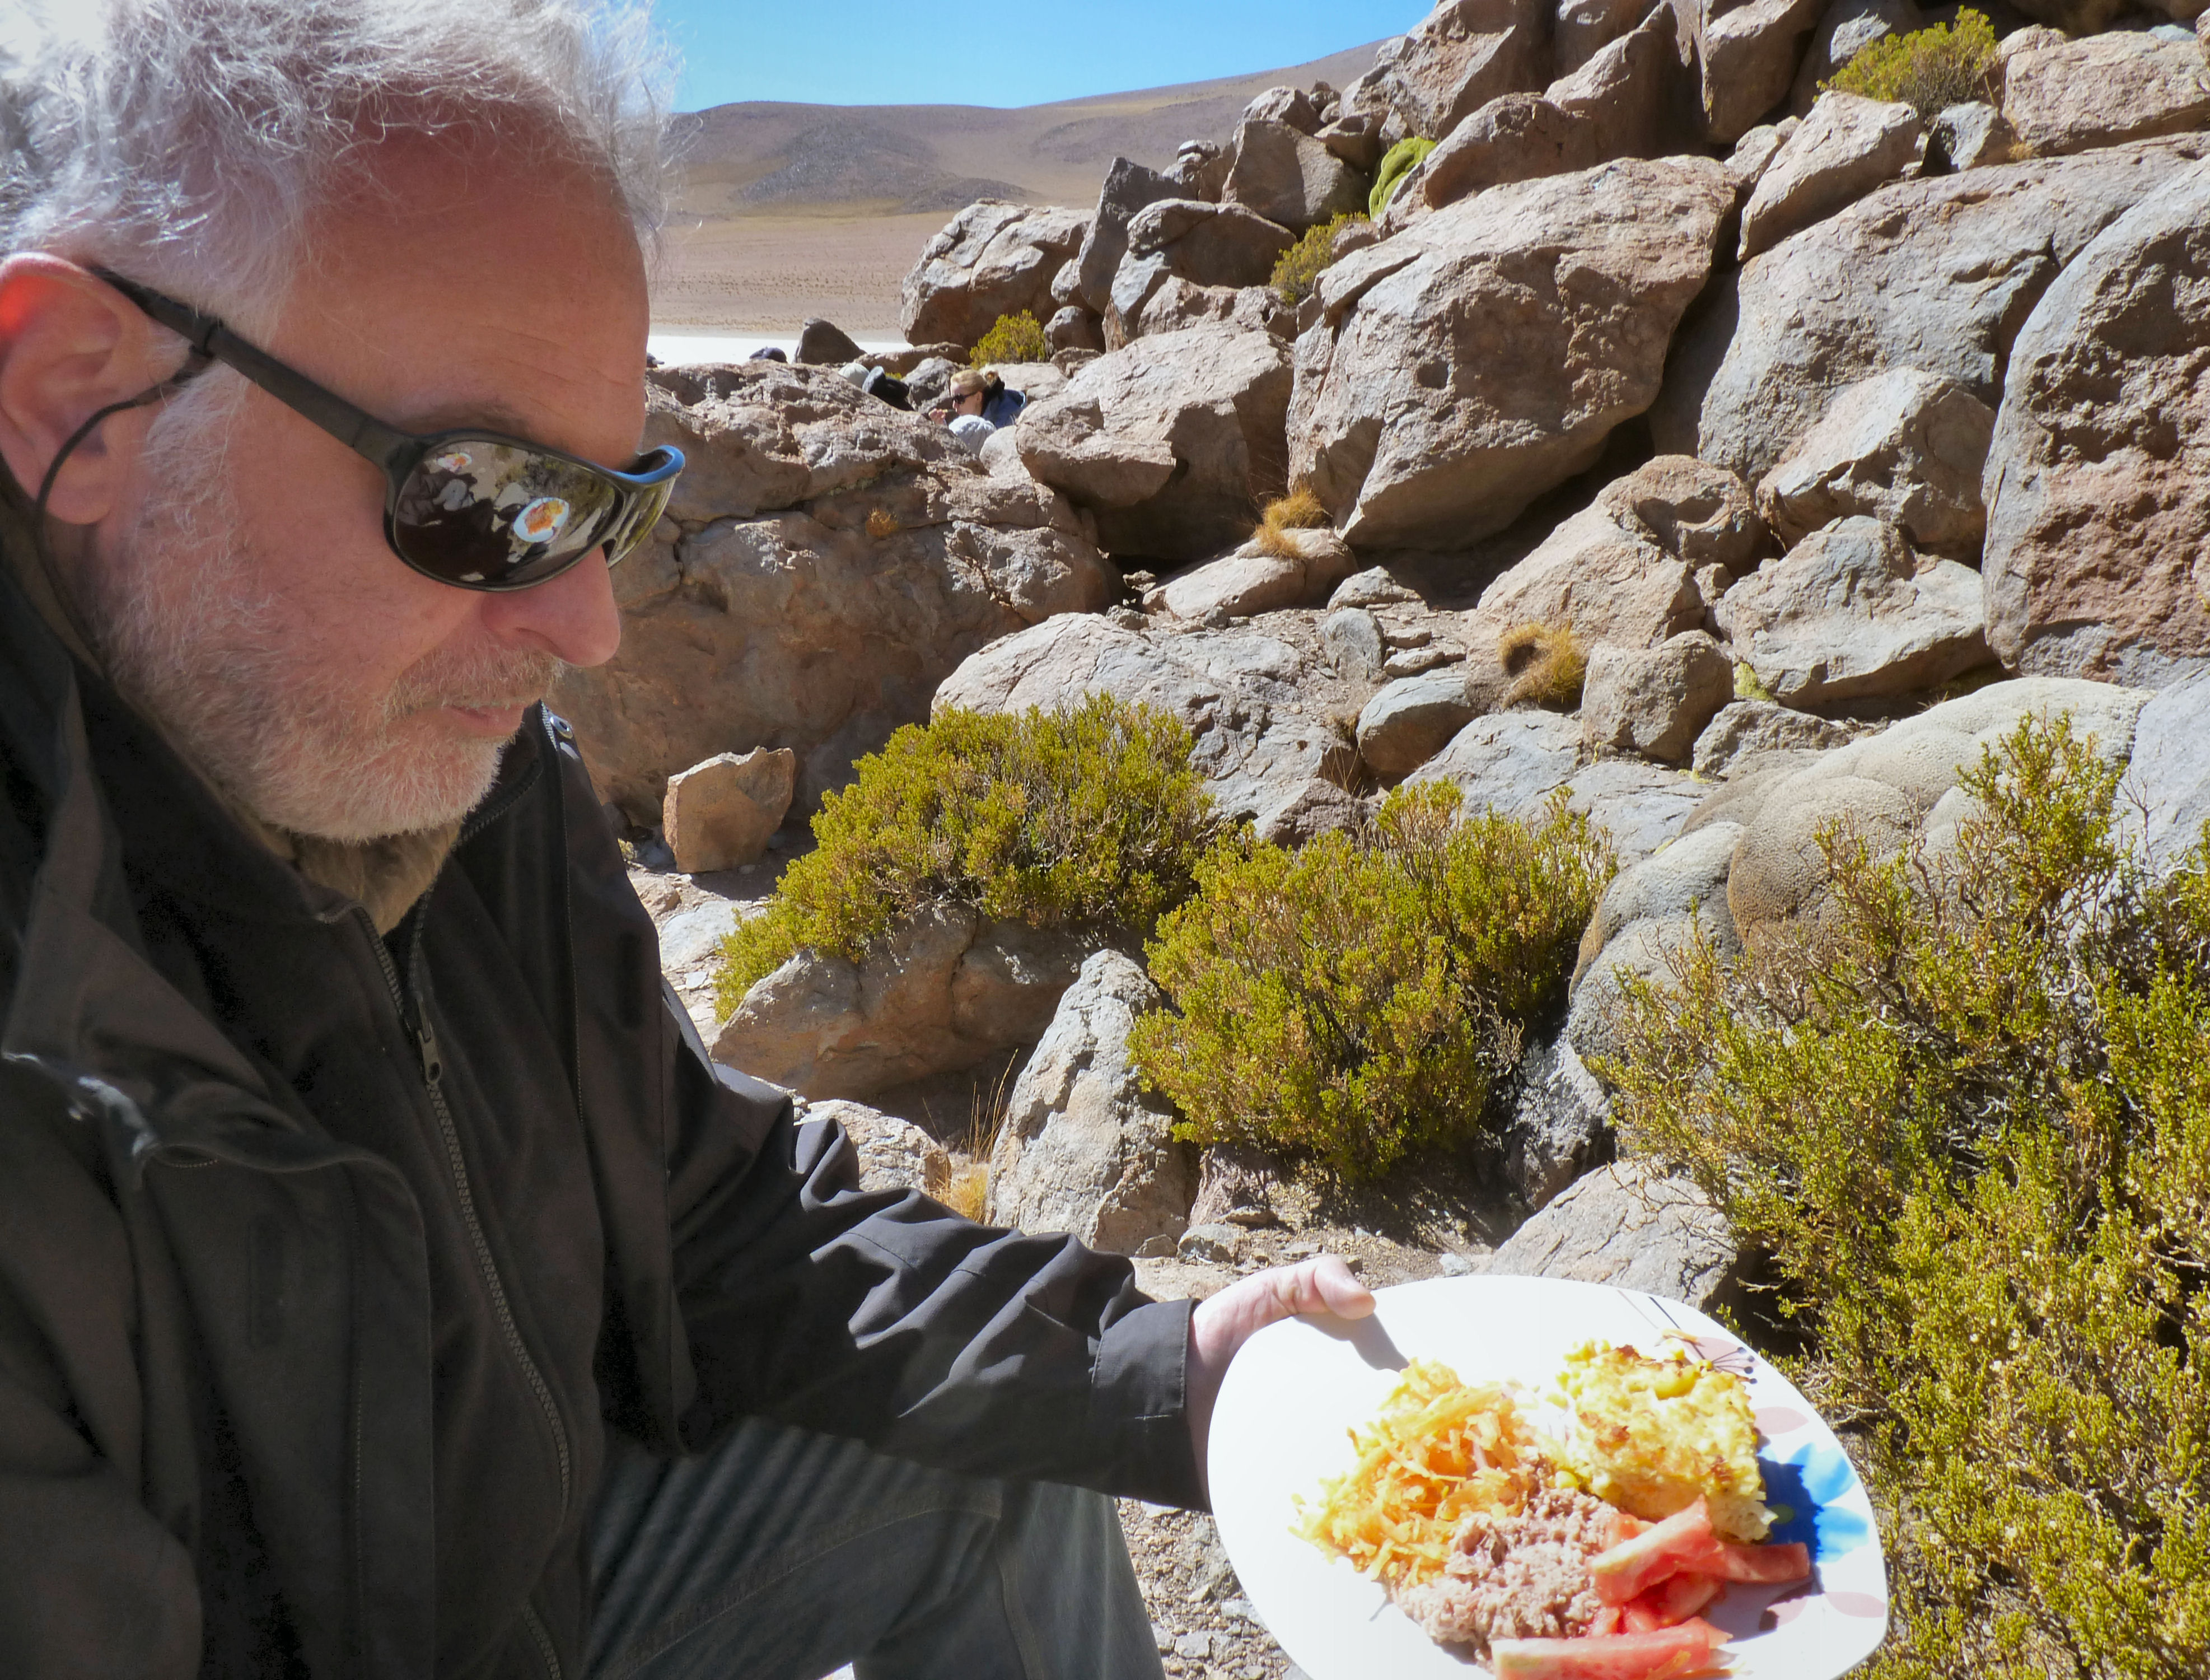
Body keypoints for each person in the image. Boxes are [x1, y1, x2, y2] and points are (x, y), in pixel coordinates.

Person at [0, 4, 1373, 1678]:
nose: (585, 626)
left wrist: (1171, 1370)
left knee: (1003, 1472)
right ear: (71, 389)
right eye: (487, 496)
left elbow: (712, 1223)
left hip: (525, 1569)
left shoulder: (443, 779)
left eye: (615, 501)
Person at [940, 366, 1025, 457]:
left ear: (978, 398)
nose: (954, 405)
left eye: (959, 399)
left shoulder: (1005, 423)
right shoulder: (983, 411)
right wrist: (942, 428)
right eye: (953, 399)